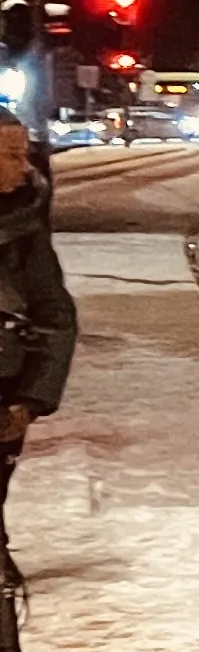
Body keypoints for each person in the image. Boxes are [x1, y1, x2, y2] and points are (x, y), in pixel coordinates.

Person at [0, 110, 75, 556]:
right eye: (10, 155)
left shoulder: (26, 227)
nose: (24, 165)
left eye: (24, 153)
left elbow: (55, 316)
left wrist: (30, 401)